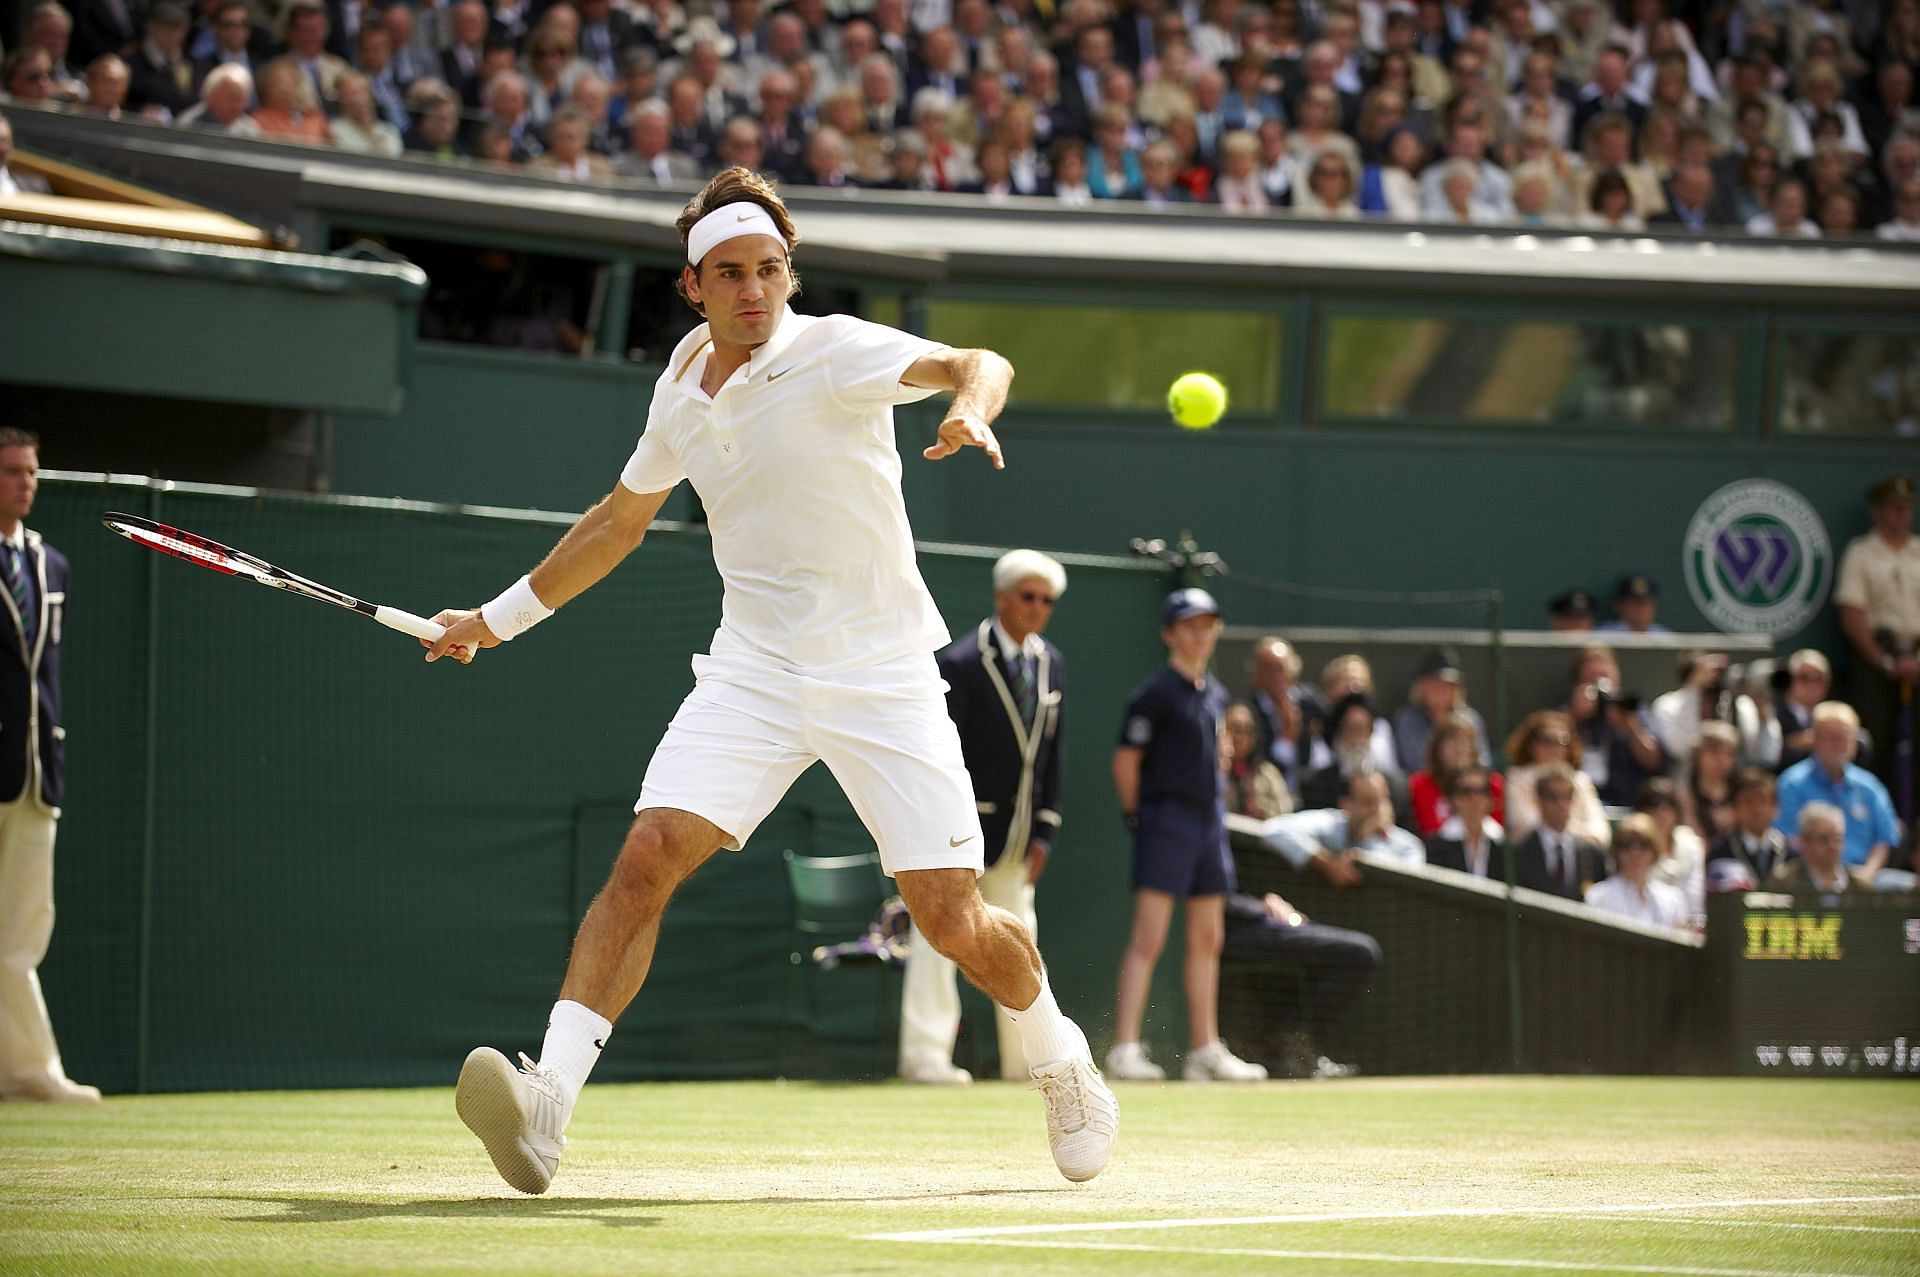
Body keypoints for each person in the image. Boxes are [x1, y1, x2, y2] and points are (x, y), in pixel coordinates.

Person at [426, 168, 1116, 1192]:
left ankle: (1064, 1060)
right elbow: (620, 521)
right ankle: (546, 1105)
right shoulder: (680, 386)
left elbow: (980, 358)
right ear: (693, 286)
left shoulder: (833, 349)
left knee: (950, 917)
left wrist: (970, 409)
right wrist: (495, 619)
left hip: (880, 667)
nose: (756, 291)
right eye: (732, 274)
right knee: (649, 852)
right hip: (755, 667)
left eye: (771, 270)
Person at [898, 549, 1069, 1086]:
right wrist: (946, 826)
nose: (1038, 608)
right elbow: (942, 752)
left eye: (1047, 600)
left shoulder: (1051, 663)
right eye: (1028, 596)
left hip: (1018, 838)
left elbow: (1052, 754)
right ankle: (925, 1055)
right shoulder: (963, 661)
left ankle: (1030, 1060)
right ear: (1002, 597)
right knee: (938, 937)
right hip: (959, 833)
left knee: (1021, 939)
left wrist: (1044, 828)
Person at [1108, 588, 1268, 1084]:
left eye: (1208, 624)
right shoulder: (1154, 693)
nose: (1201, 633)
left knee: (1208, 936)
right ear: (1169, 634)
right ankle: (1124, 1050)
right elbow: (1125, 762)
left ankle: (1204, 1050)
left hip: (1209, 825)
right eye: (1190, 624)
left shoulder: (1217, 694)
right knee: (1149, 938)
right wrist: (1140, 817)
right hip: (1166, 822)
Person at [0, 429, 94, 1104]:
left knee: (24, 926)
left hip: (34, 768)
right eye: (11, 472)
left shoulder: (51, 566)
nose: (24, 482)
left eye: (31, 471)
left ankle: (30, 1073)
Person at [1220, 889, 1379, 1079]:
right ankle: (1293, 1049)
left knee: (1362, 951)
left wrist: (1268, 902)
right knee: (1360, 952)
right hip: (1233, 930)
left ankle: (1297, 1048)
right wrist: (1261, 908)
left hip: (1262, 921)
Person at [1834, 474, 1920, 820]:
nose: (1902, 516)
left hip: (1917, 658)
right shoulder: (1861, 553)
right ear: (1878, 513)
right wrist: (1886, 662)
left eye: (1906, 509)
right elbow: (1852, 615)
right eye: (1894, 509)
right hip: (1877, 662)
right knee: (1876, 746)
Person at [1773, 701, 1905, 889]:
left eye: (1845, 738)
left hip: (1862, 878)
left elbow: (1885, 837)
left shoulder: (1870, 787)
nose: (1838, 745)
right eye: (1831, 738)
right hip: (1808, 879)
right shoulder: (1792, 784)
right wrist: (1823, 870)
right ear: (1814, 739)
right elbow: (1785, 838)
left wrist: (1868, 872)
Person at [1257, 770, 1427, 878]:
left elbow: (1406, 883)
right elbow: (1273, 829)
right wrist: (1327, 864)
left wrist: (1366, 841)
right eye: (1368, 802)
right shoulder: (1332, 822)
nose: (1378, 810)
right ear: (1346, 804)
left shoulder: (1409, 846)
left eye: (1383, 800)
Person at [1504, 709, 1610, 847]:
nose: (1554, 748)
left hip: (1574, 855)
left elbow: (1601, 833)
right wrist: (1577, 832)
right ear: (1531, 745)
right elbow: (1525, 823)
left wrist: (1563, 832)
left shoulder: (1581, 781)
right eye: (1546, 741)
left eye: (1562, 741)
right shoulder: (1516, 778)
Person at [1510, 765, 1607, 899]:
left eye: (1567, 796)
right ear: (1538, 799)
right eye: (1553, 796)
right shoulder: (1518, 851)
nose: (1561, 804)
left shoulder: (1592, 853)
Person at [1392, 645, 1488, 774]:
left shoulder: (1470, 719)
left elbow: (1483, 762)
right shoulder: (1407, 720)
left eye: (1448, 685)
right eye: (1434, 684)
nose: (1441, 691)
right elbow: (1413, 764)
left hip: (1464, 787)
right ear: (1421, 687)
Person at [1408, 712, 1504, 838]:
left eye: (1465, 741)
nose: (1459, 748)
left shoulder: (1491, 784)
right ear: (1438, 747)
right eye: (1451, 741)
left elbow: (1497, 834)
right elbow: (1427, 830)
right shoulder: (1420, 784)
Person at [1584, 814, 1689, 929]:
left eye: (1644, 845)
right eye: (1627, 846)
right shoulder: (1597, 896)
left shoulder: (1673, 900)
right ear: (1617, 852)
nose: (1636, 853)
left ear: (1654, 851)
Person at [1770, 802, 1873, 899]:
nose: (1832, 846)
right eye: (1824, 839)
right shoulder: (1784, 883)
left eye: (1838, 839)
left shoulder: (1860, 888)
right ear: (1804, 842)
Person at [1707, 767, 1791, 886]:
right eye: (1748, 802)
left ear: (1776, 808)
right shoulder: (1721, 849)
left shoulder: (1788, 851)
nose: (1757, 809)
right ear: (1735, 808)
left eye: (1763, 801)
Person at [1423, 765, 1506, 880]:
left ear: (1490, 798)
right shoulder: (1436, 846)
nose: (1475, 798)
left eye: (1481, 791)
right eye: (1466, 791)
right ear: (1454, 798)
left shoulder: (1506, 846)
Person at [1225, 704, 1292, 820]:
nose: (1241, 737)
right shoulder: (1215, 769)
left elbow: (1285, 812)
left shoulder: (1266, 772)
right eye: (1235, 729)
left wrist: (1261, 810)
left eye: (1247, 729)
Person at [1596, 573, 1669, 633]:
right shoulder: (1602, 636)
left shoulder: (1668, 639)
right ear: (1619, 605)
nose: (1642, 609)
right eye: (1636, 604)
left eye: (1647, 604)